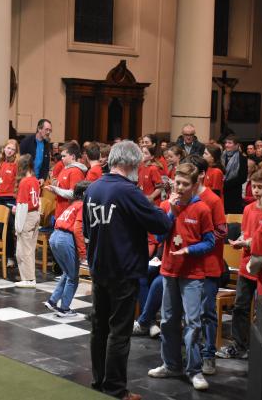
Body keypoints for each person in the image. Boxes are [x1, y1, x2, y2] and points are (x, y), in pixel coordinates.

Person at [84, 141, 172, 400]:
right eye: (139, 166)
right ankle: (115, 389)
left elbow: (88, 230)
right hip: (124, 270)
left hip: (99, 267)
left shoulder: (93, 188)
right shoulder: (128, 191)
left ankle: (99, 381)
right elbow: (160, 224)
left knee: (99, 328)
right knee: (119, 333)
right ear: (130, 164)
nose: (140, 170)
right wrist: (171, 209)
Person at [148, 163, 214, 391]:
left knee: (193, 323)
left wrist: (190, 250)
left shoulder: (202, 209)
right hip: (169, 271)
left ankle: (194, 370)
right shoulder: (167, 205)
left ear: (195, 185)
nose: (181, 187)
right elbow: (158, 235)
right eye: (178, 183)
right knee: (167, 321)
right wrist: (170, 213)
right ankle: (170, 364)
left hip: (192, 275)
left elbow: (210, 242)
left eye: (186, 184)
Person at [216, 170, 262, 359]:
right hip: (246, 264)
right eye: (254, 186)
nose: (256, 191)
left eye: (261, 187)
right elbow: (246, 233)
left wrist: (247, 243)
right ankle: (239, 345)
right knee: (240, 306)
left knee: (260, 310)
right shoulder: (248, 209)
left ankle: (261, 348)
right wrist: (240, 240)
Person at [183, 155, 227, 376]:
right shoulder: (184, 198)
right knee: (190, 314)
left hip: (208, 264)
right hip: (187, 265)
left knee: (207, 312)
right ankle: (193, 353)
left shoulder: (212, 200)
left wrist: (200, 238)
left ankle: (209, 354)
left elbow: (222, 230)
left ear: (200, 174)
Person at [45, 181, 90, 316]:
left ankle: (53, 301)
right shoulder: (82, 205)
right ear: (84, 193)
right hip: (65, 238)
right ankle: (64, 308)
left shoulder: (73, 205)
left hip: (54, 236)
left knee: (67, 272)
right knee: (73, 276)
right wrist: (82, 252)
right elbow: (77, 229)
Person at [13, 154, 41, 288]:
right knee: (29, 248)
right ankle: (27, 276)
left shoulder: (24, 182)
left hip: (27, 216)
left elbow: (23, 205)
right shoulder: (35, 180)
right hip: (35, 214)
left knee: (24, 249)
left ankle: (29, 279)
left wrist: (18, 223)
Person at [0, 139, 20, 268]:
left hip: (10, 199)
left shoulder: (16, 165)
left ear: (15, 152)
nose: (9, 151)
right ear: (4, 149)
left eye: (12, 149)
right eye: (7, 148)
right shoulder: (0, 163)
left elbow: (19, 184)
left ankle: (10, 256)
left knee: (9, 227)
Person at [45, 142, 87, 218]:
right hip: (60, 212)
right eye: (61, 156)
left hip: (69, 215)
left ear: (73, 157)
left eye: (64, 156)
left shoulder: (76, 171)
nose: (62, 158)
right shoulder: (65, 168)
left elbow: (74, 194)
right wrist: (54, 188)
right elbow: (61, 188)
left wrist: (56, 190)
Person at [19, 119, 52, 185]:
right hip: (25, 180)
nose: (48, 132)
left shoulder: (47, 144)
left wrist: (42, 177)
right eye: (46, 129)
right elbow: (20, 162)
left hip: (38, 181)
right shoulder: (26, 142)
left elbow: (46, 165)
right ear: (39, 129)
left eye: (50, 130)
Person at [222, 135, 248, 214]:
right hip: (221, 192)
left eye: (230, 143)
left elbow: (242, 177)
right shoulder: (221, 156)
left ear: (237, 145)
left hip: (234, 192)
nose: (226, 145)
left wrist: (225, 184)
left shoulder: (242, 158)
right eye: (226, 143)